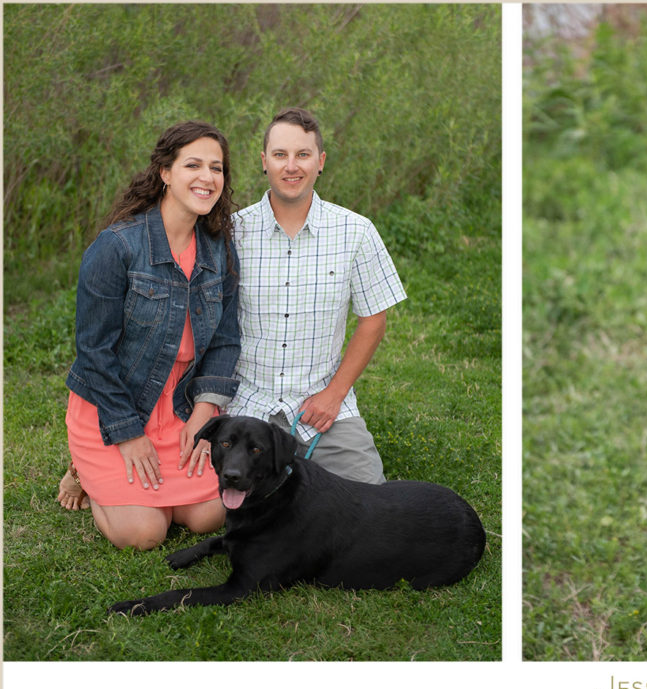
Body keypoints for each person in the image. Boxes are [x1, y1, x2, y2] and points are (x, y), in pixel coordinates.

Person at [59, 121, 241, 549]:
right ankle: (82, 470)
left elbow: (225, 340)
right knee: (143, 534)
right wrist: (127, 433)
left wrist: (204, 411)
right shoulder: (117, 246)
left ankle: (148, 490)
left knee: (208, 515)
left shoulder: (218, 248)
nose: (207, 177)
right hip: (115, 405)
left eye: (216, 168)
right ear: (164, 172)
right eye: (193, 165)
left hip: (179, 405)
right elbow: (93, 352)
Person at [228, 107, 406, 483]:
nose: (291, 166)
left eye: (303, 155)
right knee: (212, 508)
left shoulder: (356, 231)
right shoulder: (232, 232)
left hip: (322, 407)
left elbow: (373, 319)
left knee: (368, 499)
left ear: (320, 161)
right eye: (280, 155)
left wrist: (335, 394)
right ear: (264, 162)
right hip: (245, 403)